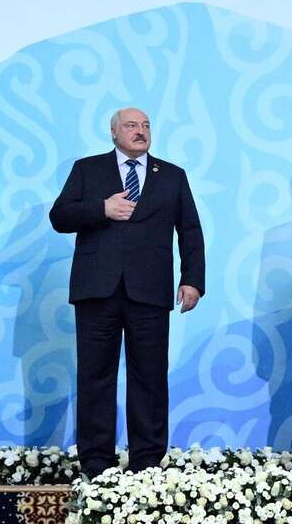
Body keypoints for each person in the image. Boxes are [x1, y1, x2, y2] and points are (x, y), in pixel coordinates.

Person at [49, 107, 206, 478]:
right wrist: (101, 208)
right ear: (114, 132)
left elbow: (190, 230)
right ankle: (96, 462)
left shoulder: (172, 175)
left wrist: (192, 279)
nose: (140, 131)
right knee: (95, 377)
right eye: (132, 125)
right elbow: (60, 217)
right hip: (96, 290)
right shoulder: (88, 169)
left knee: (149, 378)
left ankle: (147, 463)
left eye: (146, 125)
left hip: (150, 290)